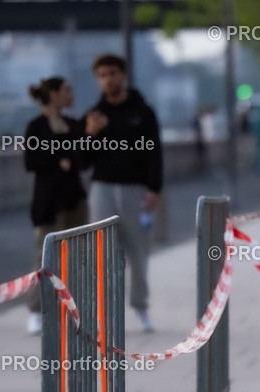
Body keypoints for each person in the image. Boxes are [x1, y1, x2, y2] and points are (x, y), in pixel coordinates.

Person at [82, 54, 163, 333]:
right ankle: (103, 312)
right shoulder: (94, 115)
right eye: (102, 75)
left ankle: (140, 306)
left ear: (123, 75)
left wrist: (154, 188)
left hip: (135, 189)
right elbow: (83, 162)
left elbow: (154, 152)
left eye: (112, 73)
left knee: (139, 252)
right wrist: (90, 134)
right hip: (102, 189)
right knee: (100, 253)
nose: (108, 80)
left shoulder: (143, 112)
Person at [23, 78, 89, 334]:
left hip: (74, 198)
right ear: (53, 94)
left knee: (76, 257)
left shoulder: (74, 124)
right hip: (48, 201)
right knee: (44, 257)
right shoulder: (36, 126)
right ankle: (35, 310)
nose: (70, 94)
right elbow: (31, 161)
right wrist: (57, 159)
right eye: (66, 90)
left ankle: (73, 309)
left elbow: (83, 158)